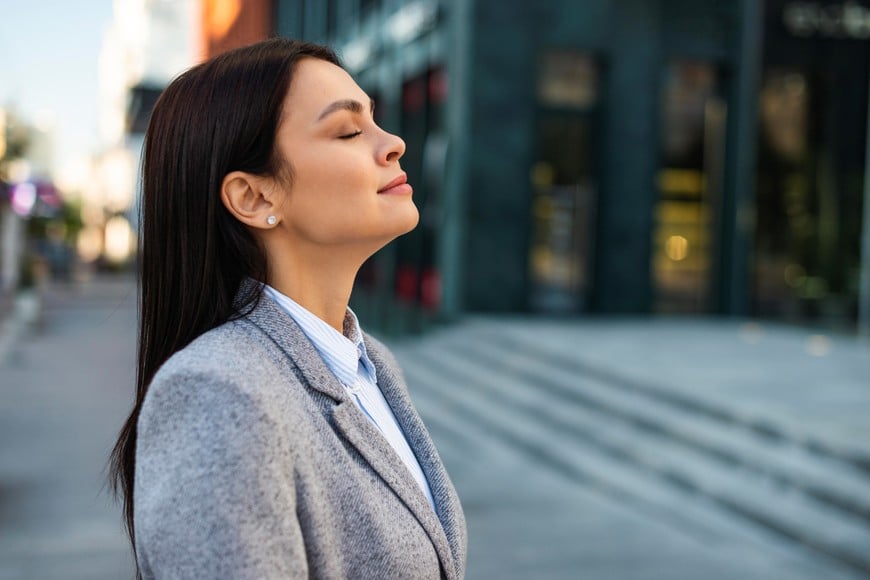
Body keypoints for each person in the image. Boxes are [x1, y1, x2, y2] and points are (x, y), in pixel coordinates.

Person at [110, 38, 467, 579]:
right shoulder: (219, 393)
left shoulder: (371, 366)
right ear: (254, 197)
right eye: (348, 131)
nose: (393, 143)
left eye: (374, 120)